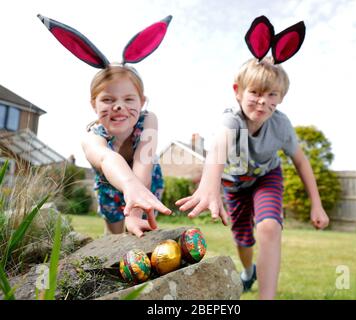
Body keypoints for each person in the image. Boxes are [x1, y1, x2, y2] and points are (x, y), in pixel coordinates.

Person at [176, 16, 329, 300]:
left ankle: (266, 296)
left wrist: (316, 205)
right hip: (233, 183)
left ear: (281, 97)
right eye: (255, 92)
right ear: (238, 92)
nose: (263, 101)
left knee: (269, 226)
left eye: (272, 94)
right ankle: (248, 272)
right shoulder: (231, 119)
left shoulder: (281, 125)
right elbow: (219, 144)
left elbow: (301, 162)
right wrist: (210, 185)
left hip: (266, 178)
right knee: (243, 238)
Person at [38, 14, 173, 237]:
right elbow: (106, 157)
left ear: (142, 102)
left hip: (145, 184)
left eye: (129, 99)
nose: (119, 106)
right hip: (110, 191)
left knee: (137, 234)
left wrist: (134, 210)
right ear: (94, 104)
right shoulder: (92, 136)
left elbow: (143, 162)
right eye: (108, 100)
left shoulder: (148, 120)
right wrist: (127, 184)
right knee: (113, 238)